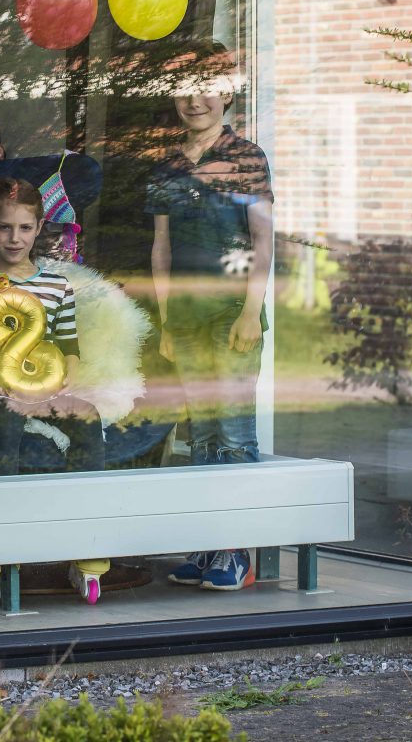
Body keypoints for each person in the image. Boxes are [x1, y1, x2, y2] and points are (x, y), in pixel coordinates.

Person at [0, 177, 109, 604]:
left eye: (25, 228)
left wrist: (65, 376)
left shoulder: (56, 286)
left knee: (86, 413)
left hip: (43, 386)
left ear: (39, 229)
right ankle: (2, 550)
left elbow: (68, 346)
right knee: (7, 417)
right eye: (4, 228)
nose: (15, 238)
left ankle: (87, 548)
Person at [147, 43, 274, 591]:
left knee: (234, 430)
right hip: (187, 319)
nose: (195, 99)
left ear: (226, 93)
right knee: (198, 431)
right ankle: (207, 545)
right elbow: (161, 250)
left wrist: (251, 311)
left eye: (206, 87)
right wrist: (168, 318)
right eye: (184, 87)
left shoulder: (247, 156)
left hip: (231, 313)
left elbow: (264, 239)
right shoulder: (166, 166)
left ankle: (237, 553)